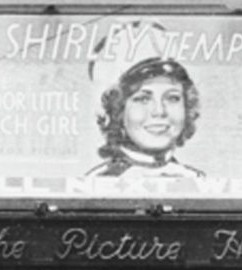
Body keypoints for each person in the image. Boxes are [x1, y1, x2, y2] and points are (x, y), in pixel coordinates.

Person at [86, 22, 204, 178]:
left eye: (173, 98)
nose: (159, 111)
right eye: (142, 99)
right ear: (116, 112)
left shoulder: (195, 179)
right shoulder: (97, 183)